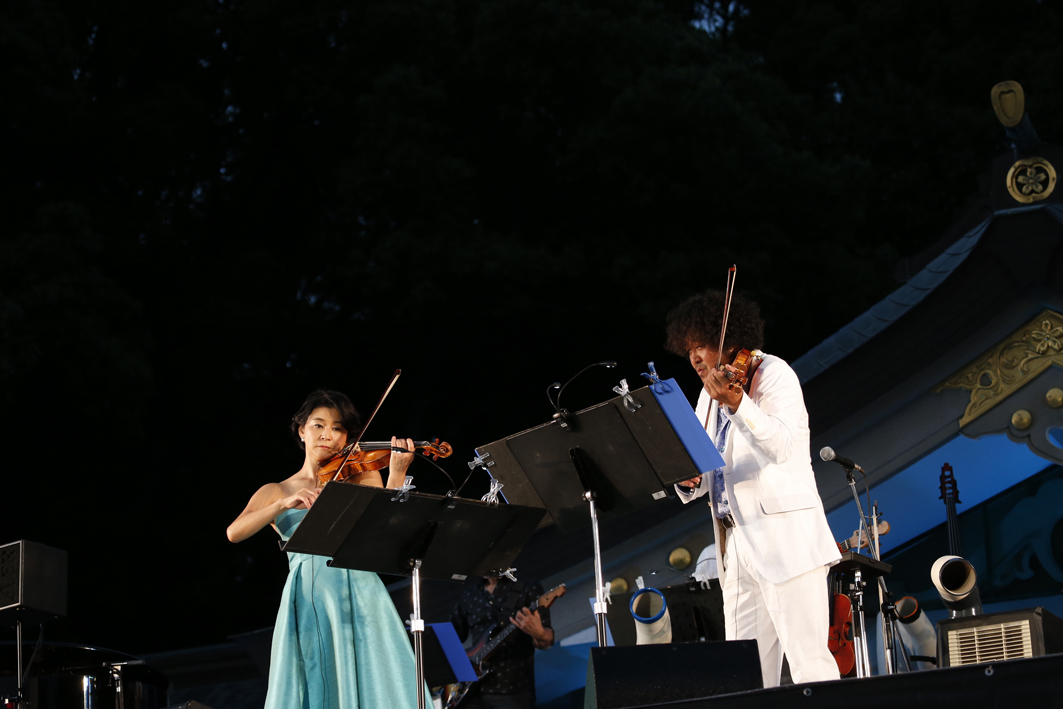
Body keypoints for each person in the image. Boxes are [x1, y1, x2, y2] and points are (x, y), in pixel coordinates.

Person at [665, 290, 840, 688]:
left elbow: (780, 445)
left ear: (729, 339)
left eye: (701, 345)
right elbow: (704, 466)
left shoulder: (774, 374)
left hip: (785, 541)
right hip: (735, 544)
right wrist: (688, 479)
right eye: (688, 348)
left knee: (809, 664)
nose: (694, 357)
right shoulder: (707, 396)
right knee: (743, 676)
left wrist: (737, 403)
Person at [226, 389, 428, 709]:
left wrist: (398, 473)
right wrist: (283, 502)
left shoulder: (361, 475)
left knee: (376, 682)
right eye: (318, 425)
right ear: (301, 430)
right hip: (309, 594)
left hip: (361, 590)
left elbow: (386, 530)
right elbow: (234, 532)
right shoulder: (276, 490)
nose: (328, 435)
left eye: (338, 428)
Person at [450, 575, 554, 709]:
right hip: (471, 693)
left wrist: (538, 633)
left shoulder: (527, 587)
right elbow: (450, 639)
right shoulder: (469, 595)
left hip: (513, 691)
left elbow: (546, 642)